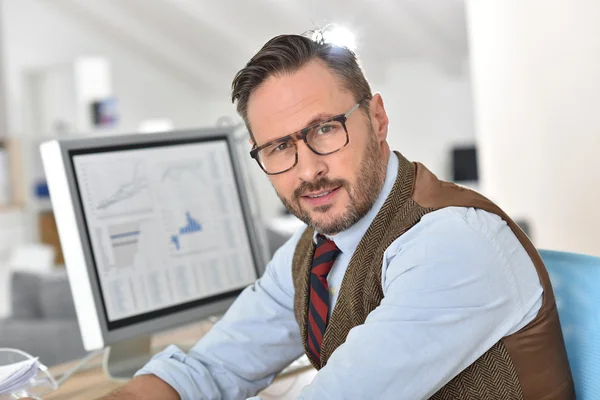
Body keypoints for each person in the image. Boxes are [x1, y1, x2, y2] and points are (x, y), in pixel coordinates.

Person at [101, 30, 574, 399]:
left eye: (325, 130)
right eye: (279, 147)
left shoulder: (453, 242)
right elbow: (209, 369)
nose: (308, 170)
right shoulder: (312, 251)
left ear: (378, 119)